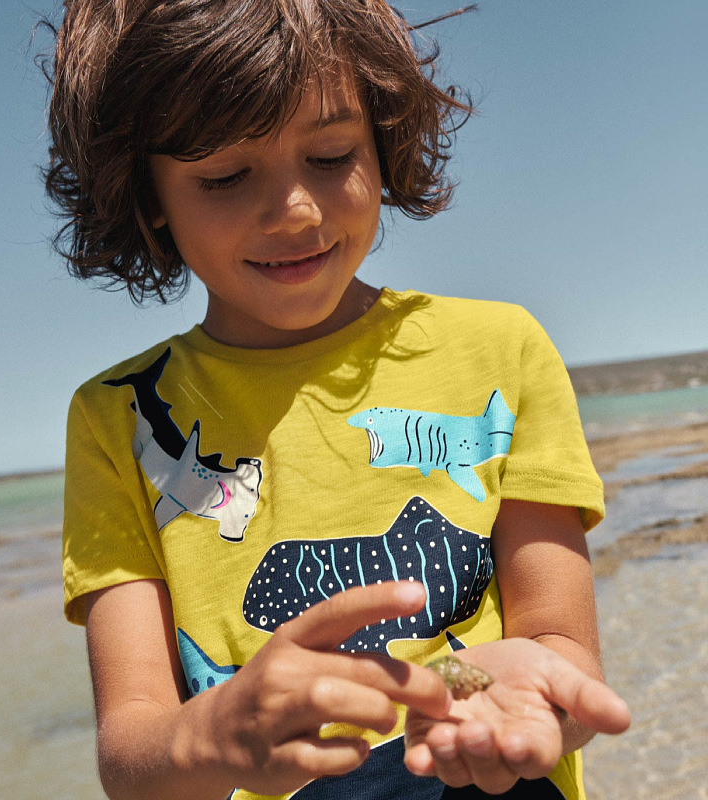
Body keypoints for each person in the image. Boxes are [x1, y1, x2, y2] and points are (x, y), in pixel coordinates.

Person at [46, 2, 631, 798]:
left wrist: (529, 698)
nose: (296, 209)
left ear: (382, 141)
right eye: (223, 176)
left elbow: (559, 641)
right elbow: (132, 752)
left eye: (330, 155)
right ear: (149, 196)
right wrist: (209, 735)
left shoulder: (500, 349)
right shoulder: (116, 417)